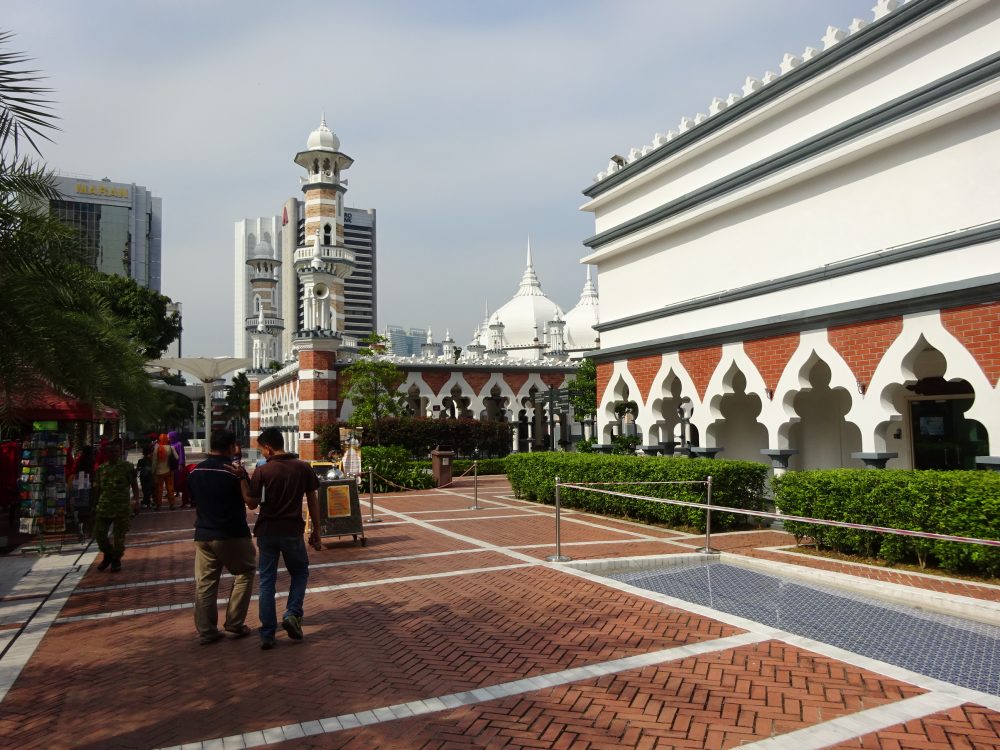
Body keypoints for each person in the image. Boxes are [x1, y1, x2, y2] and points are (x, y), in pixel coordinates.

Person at [248, 427, 321, 650]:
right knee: (300, 573)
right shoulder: (302, 467)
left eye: (261, 450)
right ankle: (292, 613)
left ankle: (268, 633)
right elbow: (312, 499)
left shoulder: (262, 472)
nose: (261, 454)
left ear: (269, 448)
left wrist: (242, 480)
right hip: (292, 530)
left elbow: (251, 504)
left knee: (267, 580)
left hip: (267, 531)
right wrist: (316, 530)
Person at [187, 429, 256, 646]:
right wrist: (243, 476)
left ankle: (207, 631)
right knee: (245, 572)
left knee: (206, 583)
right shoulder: (232, 472)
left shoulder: (195, 471)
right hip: (231, 532)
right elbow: (250, 500)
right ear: (230, 447)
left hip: (203, 532)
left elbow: (193, 499)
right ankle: (234, 622)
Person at [93, 442, 140, 572]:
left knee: (119, 537)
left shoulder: (127, 467)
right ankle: (108, 554)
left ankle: (116, 560)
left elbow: (134, 486)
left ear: (119, 452)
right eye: (110, 452)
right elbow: (97, 490)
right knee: (99, 534)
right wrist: (94, 505)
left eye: (115, 451)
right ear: (106, 454)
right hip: (104, 507)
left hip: (122, 508)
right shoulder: (101, 469)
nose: (113, 454)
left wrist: (136, 501)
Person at [152, 433, 178, 510]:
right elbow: (177, 457)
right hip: (169, 471)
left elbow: (154, 461)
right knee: (170, 488)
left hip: (159, 472)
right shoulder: (171, 447)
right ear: (167, 439)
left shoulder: (157, 448)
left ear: (160, 439)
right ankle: (172, 504)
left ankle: (158, 505)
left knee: (159, 489)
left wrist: (153, 471)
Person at [168, 431, 187, 506]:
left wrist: (181, 464)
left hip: (178, 464)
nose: (168, 438)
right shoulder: (170, 444)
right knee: (173, 479)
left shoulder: (179, 444)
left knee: (178, 478)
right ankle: (175, 491)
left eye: (169, 436)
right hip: (172, 464)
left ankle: (179, 492)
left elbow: (182, 454)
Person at [136, 444, 154, 509]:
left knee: (145, 489)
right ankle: (148, 502)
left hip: (143, 477)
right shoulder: (152, 460)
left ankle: (146, 501)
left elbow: (138, 469)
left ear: (143, 453)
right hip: (150, 476)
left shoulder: (140, 461)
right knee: (149, 489)